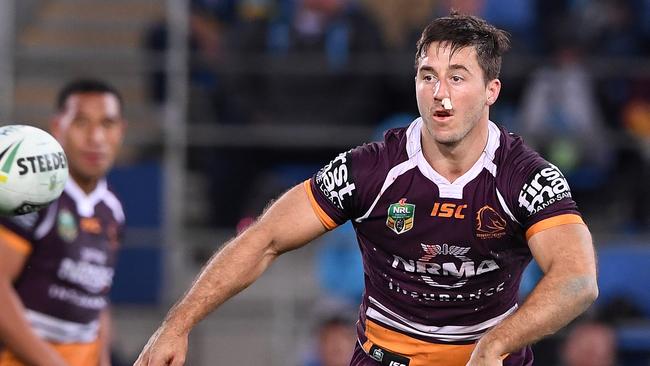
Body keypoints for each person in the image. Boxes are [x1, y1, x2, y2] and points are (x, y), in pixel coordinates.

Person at [135, 13, 598, 366]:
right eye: (427, 76)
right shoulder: (371, 170)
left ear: (491, 90)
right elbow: (265, 239)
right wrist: (178, 323)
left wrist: (496, 342)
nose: (440, 94)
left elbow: (577, 279)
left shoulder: (525, 177)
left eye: (457, 77)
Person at [0, 79, 126, 366]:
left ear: (121, 131)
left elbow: (97, 297)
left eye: (107, 124)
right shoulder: (32, 194)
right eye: (81, 123)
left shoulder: (113, 209)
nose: (96, 137)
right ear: (58, 127)